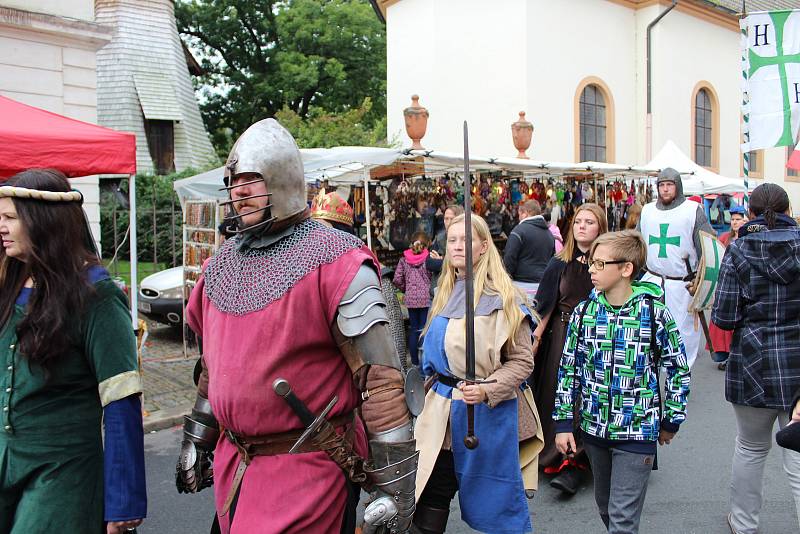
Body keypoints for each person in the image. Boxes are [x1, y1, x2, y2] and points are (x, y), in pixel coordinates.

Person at [177, 119, 419, 534]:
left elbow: (380, 381)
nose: (240, 191)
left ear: (283, 181)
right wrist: (199, 438)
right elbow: (212, 368)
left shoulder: (337, 261)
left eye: (253, 180)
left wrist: (395, 489)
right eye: (235, 181)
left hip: (309, 472)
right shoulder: (219, 267)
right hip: (236, 467)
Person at [0, 169, 146, 533]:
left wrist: (123, 498)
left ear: (42, 220)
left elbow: (121, 398)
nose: (0, 226)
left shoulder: (98, 296)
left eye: (9, 218)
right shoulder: (11, 284)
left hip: (63, 473)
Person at [554, 230, 691, 534]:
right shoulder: (584, 312)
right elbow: (569, 370)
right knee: (605, 506)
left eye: (601, 264)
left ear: (626, 269)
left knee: (622, 517)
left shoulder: (654, 312)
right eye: (592, 263)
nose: (592, 269)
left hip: (638, 430)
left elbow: (678, 368)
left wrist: (671, 419)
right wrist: (563, 423)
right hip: (594, 430)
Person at [412, 214, 542, 534]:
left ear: (483, 246)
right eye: (452, 239)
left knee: (496, 507)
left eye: (466, 240)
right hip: (440, 412)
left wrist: (487, 389)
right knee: (429, 492)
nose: (457, 246)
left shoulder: (504, 298)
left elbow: (523, 361)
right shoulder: (443, 292)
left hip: (485, 416)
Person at [711, 183, 800, 534]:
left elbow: (724, 317)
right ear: (788, 209)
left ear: (750, 213)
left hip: (753, 362)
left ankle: (744, 524)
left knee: (749, 448)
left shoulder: (738, 250)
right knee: (798, 456)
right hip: (797, 364)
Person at [531, 203, 608, 495]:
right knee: (559, 396)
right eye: (578, 221)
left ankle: (579, 462)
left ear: (600, 227)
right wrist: (535, 339)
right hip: (562, 337)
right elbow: (544, 306)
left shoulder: (607, 263)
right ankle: (561, 459)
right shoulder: (558, 263)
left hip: (597, 338)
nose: (582, 226)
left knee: (590, 398)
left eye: (589, 222)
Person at [311, 189, 409, 369]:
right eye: (312, 229)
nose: (315, 238)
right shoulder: (305, 274)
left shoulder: (366, 273)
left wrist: (395, 381)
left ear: (342, 234)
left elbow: (393, 343)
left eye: (322, 229)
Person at [638, 167, 714, 368]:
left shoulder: (691, 211)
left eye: (669, 185)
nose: (665, 189)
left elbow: (708, 247)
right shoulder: (647, 211)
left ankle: (680, 383)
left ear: (678, 186)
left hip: (683, 286)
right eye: (661, 185)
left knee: (681, 337)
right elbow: (636, 244)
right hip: (651, 282)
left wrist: (702, 281)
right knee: (648, 333)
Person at [708, 205, 748, 369]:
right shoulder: (724, 237)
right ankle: (725, 355)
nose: (734, 222)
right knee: (724, 319)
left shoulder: (749, 238)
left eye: (738, 219)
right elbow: (716, 259)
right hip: (726, 283)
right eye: (732, 219)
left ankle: (738, 354)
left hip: (742, 285)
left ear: (745, 220)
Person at [394, 232, 433, 366]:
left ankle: (415, 363)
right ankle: (424, 364)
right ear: (426, 243)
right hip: (425, 299)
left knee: (414, 329)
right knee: (424, 329)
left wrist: (406, 289)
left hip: (411, 300)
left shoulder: (403, 260)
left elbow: (397, 279)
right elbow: (433, 276)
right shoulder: (428, 259)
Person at [503, 199, 556, 299]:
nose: (519, 218)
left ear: (526, 213)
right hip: (543, 287)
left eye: (519, 214)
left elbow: (509, 258)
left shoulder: (518, 231)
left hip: (521, 286)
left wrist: (505, 281)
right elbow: (553, 260)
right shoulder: (549, 234)